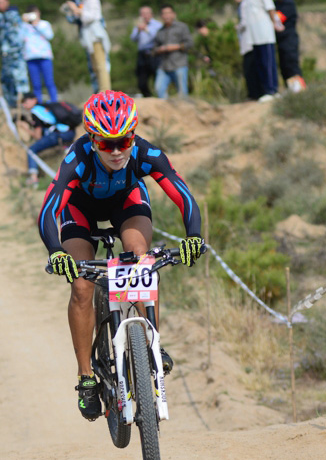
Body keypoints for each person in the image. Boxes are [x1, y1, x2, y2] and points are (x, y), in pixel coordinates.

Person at [37, 91, 203, 419]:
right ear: (92, 140)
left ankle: (149, 342)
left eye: (123, 142)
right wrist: (56, 251)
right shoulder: (77, 158)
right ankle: (86, 377)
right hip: (79, 209)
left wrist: (193, 237)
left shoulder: (146, 152)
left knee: (139, 258)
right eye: (105, 144)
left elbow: (181, 192)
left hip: (126, 203)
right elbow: (49, 208)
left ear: (133, 135)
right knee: (82, 286)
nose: (115, 151)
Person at [239, 0, 283, 101]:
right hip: (254, 37)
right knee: (260, 64)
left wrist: (275, 23)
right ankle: (265, 91)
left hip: (264, 34)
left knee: (267, 63)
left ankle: (272, 90)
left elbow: (270, 7)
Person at [20, 92, 76, 186]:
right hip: (70, 132)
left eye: (25, 101)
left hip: (58, 134)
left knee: (31, 150)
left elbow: (38, 136)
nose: (23, 104)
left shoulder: (35, 112)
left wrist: (25, 129)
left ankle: (33, 178)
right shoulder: (45, 107)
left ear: (34, 100)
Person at [66, 0, 111, 92]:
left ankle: (105, 92)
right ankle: (101, 92)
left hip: (95, 36)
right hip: (88, 38)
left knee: (101, 65)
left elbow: (93, 16)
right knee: (95, 67)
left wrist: (77, 10)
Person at [61, 0, 97, 91]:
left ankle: (101, 95)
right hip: (87, 36)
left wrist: (73, 10)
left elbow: (83, 17)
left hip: (93, 35)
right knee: (94, 66)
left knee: (97, 66)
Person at [153, 4, 193, 99]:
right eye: (164, 14)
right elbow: (154, 49)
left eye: (169, 13)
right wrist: (159, 49)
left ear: (173, 14)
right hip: (164, 66)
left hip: (179, 64)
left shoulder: (182, 27)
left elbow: (189, 43)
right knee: (159, 89)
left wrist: (175, 47)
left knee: (182, 93)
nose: (167, 16)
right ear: (161, 16)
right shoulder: (160, 31)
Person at [21, 7, 58, 104]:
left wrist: (36, 24)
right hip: (31, 57)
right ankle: (38, 105)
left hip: (44, 56)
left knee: (49, 82)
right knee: (36, 85)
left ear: (38, 13)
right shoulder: (24, 26)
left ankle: (55, 103)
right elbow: (19, 38)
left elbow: (50, 35)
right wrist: (23, 23)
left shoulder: (44, 24)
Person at [273, 0, 305, 92]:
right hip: (280, 41)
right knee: (284, 68)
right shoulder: (276, 3)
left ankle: (300, 91)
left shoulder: (289, 3)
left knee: (292, 66)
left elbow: (278, 18)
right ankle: (291, 91)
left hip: (289, 41)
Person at [231, 0, 261, 100]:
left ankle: (255, 95)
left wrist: (238, 27)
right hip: (246, 43)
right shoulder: (241, 6)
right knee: (248, 70)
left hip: (251, 42)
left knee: (251, 69)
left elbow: (246, 22)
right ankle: (253, 94)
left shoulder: (246, 4)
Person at [129, 6, 162, 98]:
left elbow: (158, 38)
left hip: (154, 53)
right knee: (141, 80)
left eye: (146, 13)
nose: (144, 16)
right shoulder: (138, 26)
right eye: (142, 14)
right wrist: (139, 30)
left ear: (151, 14)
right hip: (142, 54)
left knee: (157, 78)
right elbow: (132, 38)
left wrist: (146, 30)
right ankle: (148, 97)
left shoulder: (157, 25)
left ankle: (159, 98)